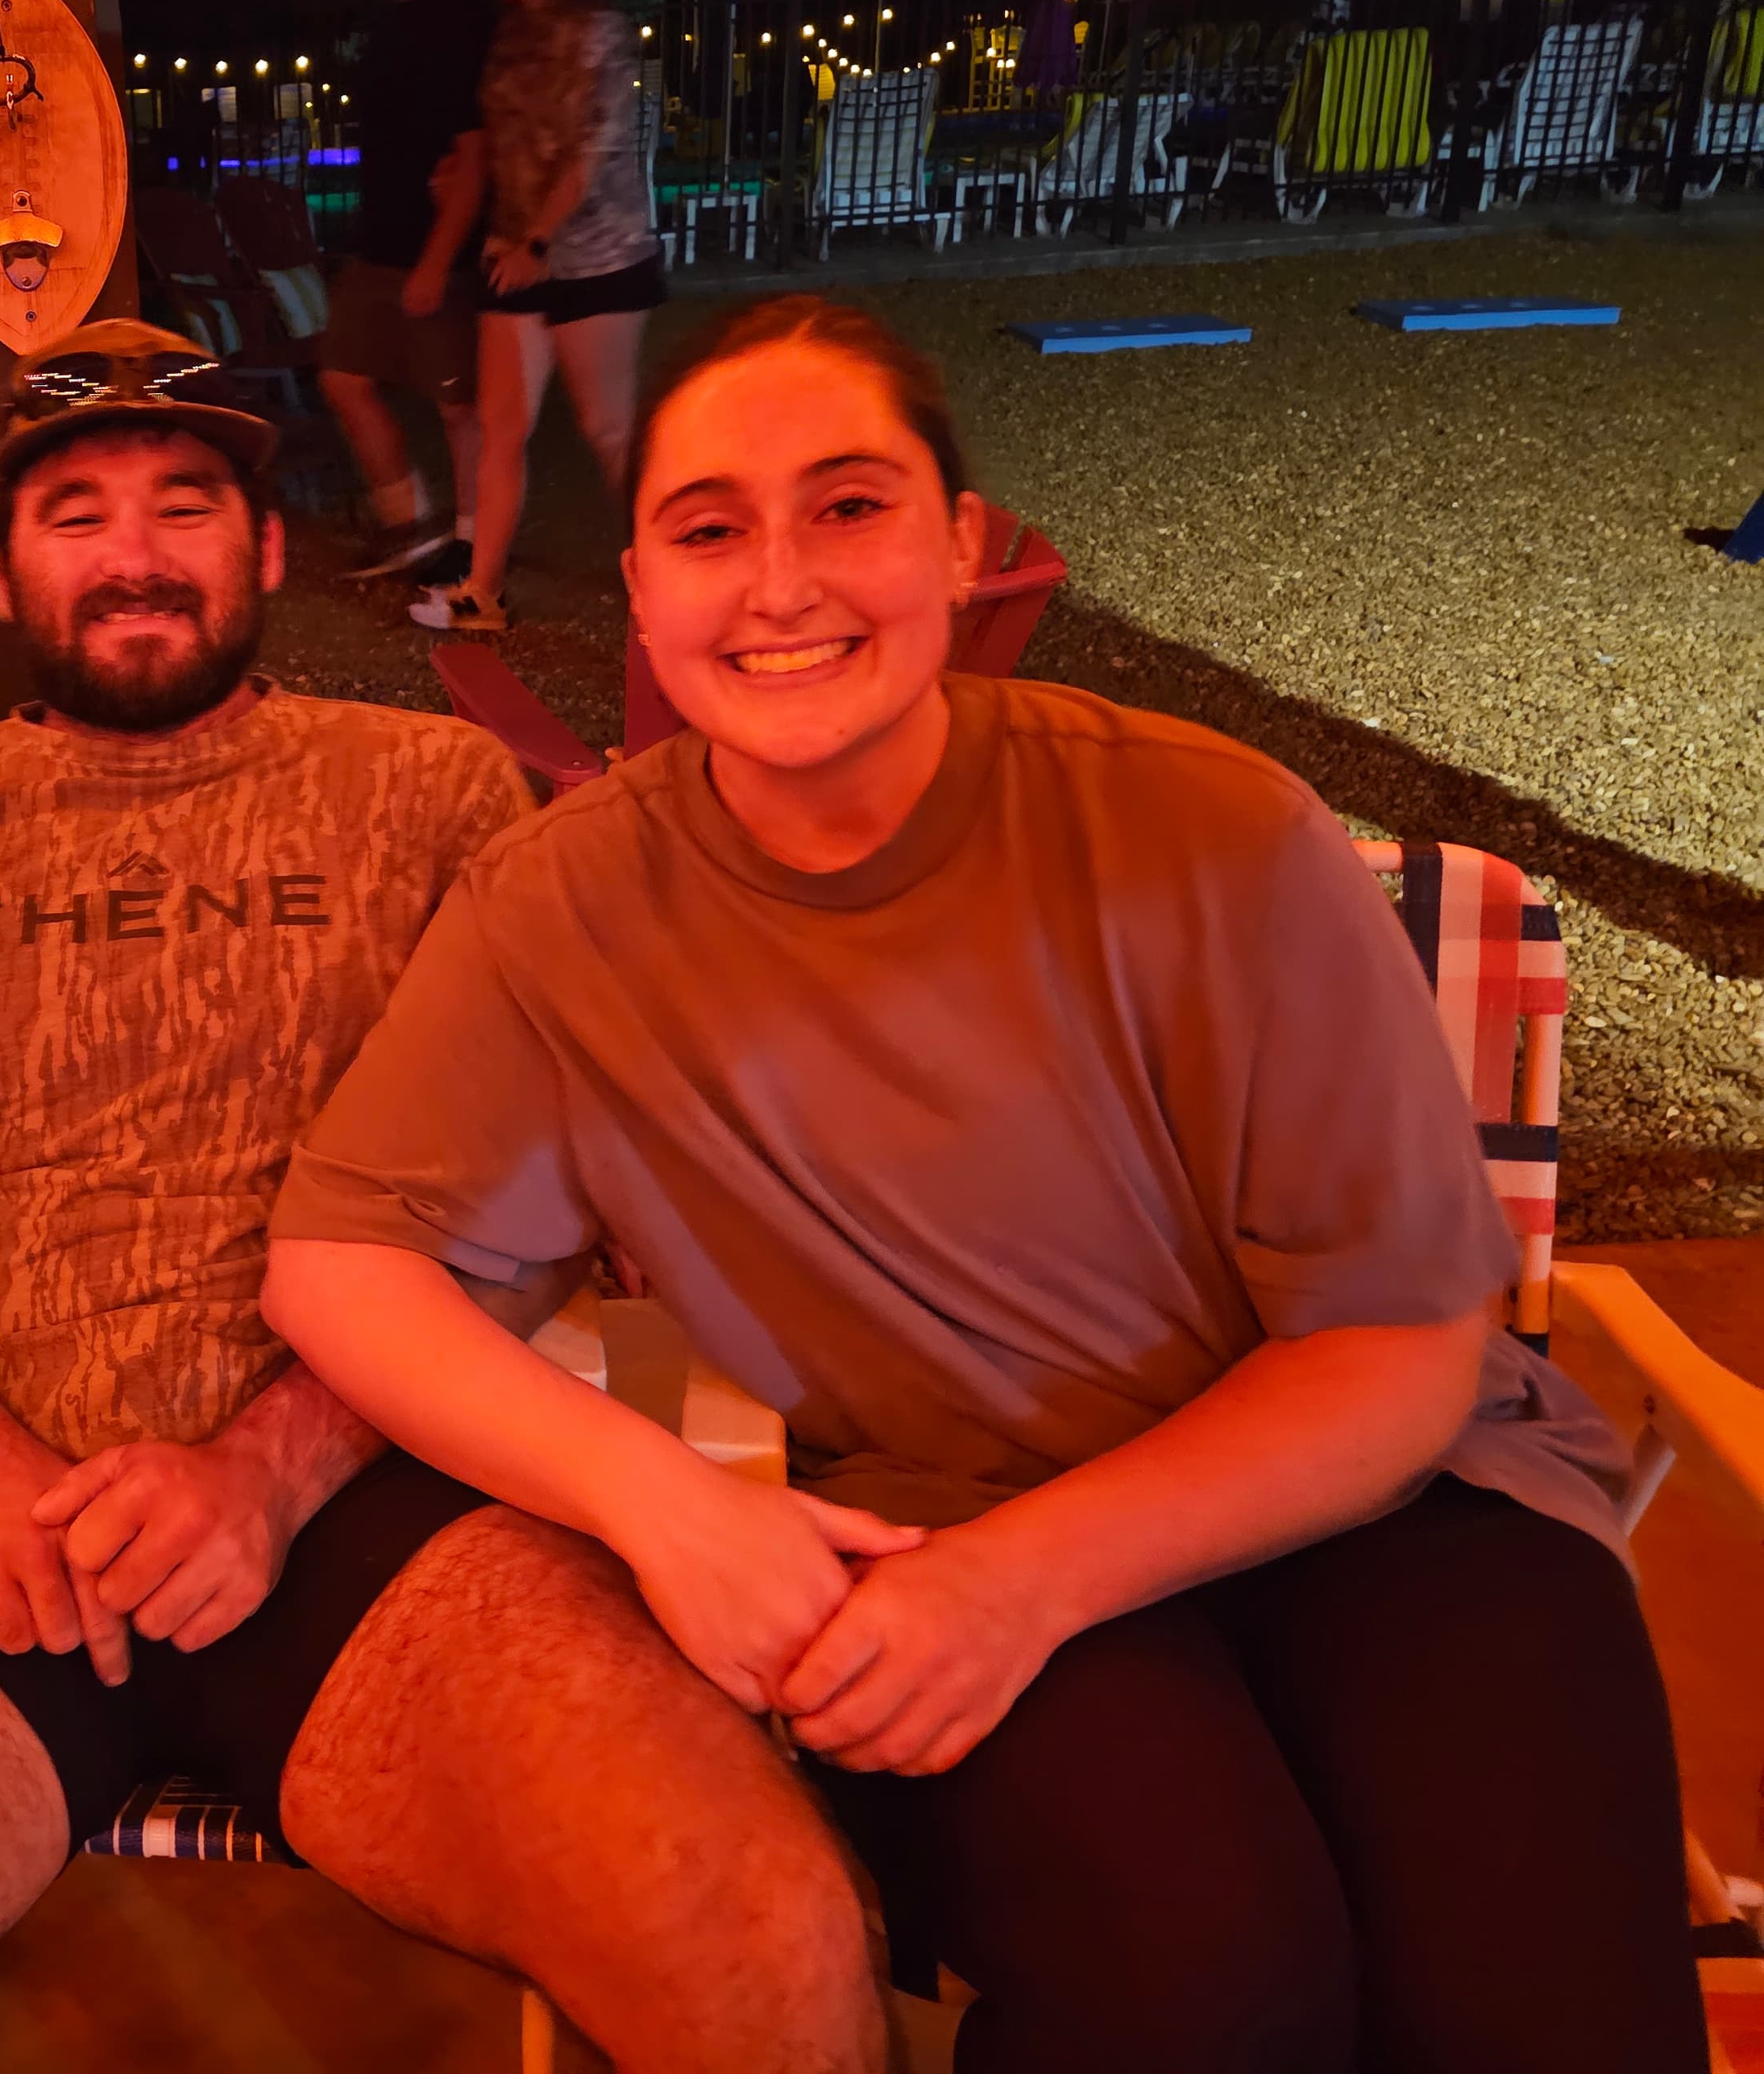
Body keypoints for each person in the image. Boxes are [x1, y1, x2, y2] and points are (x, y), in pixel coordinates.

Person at [270, 294, 1704, 2073]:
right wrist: (666, 1506)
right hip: (928, 1525)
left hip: (1383, 1496)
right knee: (1201, 1986)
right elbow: (341, 1265)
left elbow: (1400, 1352)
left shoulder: (1208, 834)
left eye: (850, 507)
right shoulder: (565, 911)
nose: (780, 584)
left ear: (961, 551)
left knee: (1538, 2013)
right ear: (640, 588)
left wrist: (1025, 1583)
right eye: (711, 530)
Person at [0, 320, 886, 2074]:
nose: (139, 554)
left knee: (760, 1937)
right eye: (77, 515)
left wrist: (272, 1462)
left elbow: (552, 1194)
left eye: (186, 504)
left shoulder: (433, 795)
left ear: (267, 550)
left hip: (377, 1494)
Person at [413, 0, 666, 635]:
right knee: (501, 428)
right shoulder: (511, 39)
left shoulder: (600, 34)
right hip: (517, 254)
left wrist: (539, 242)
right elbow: (500, 139)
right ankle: (481, 593)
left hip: (600, 256)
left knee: (608, 429)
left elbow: (592, 150)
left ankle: (668, 576)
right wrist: (469, 187)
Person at [322, 0, 495, 586]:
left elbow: (474, 149)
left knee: (459, 406)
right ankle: (412, 527)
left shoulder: (458, 15)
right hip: (379, 244)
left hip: (436, 250)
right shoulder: (392, 19)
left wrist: (437, 258)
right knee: (344, 376)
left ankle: (472, 544)